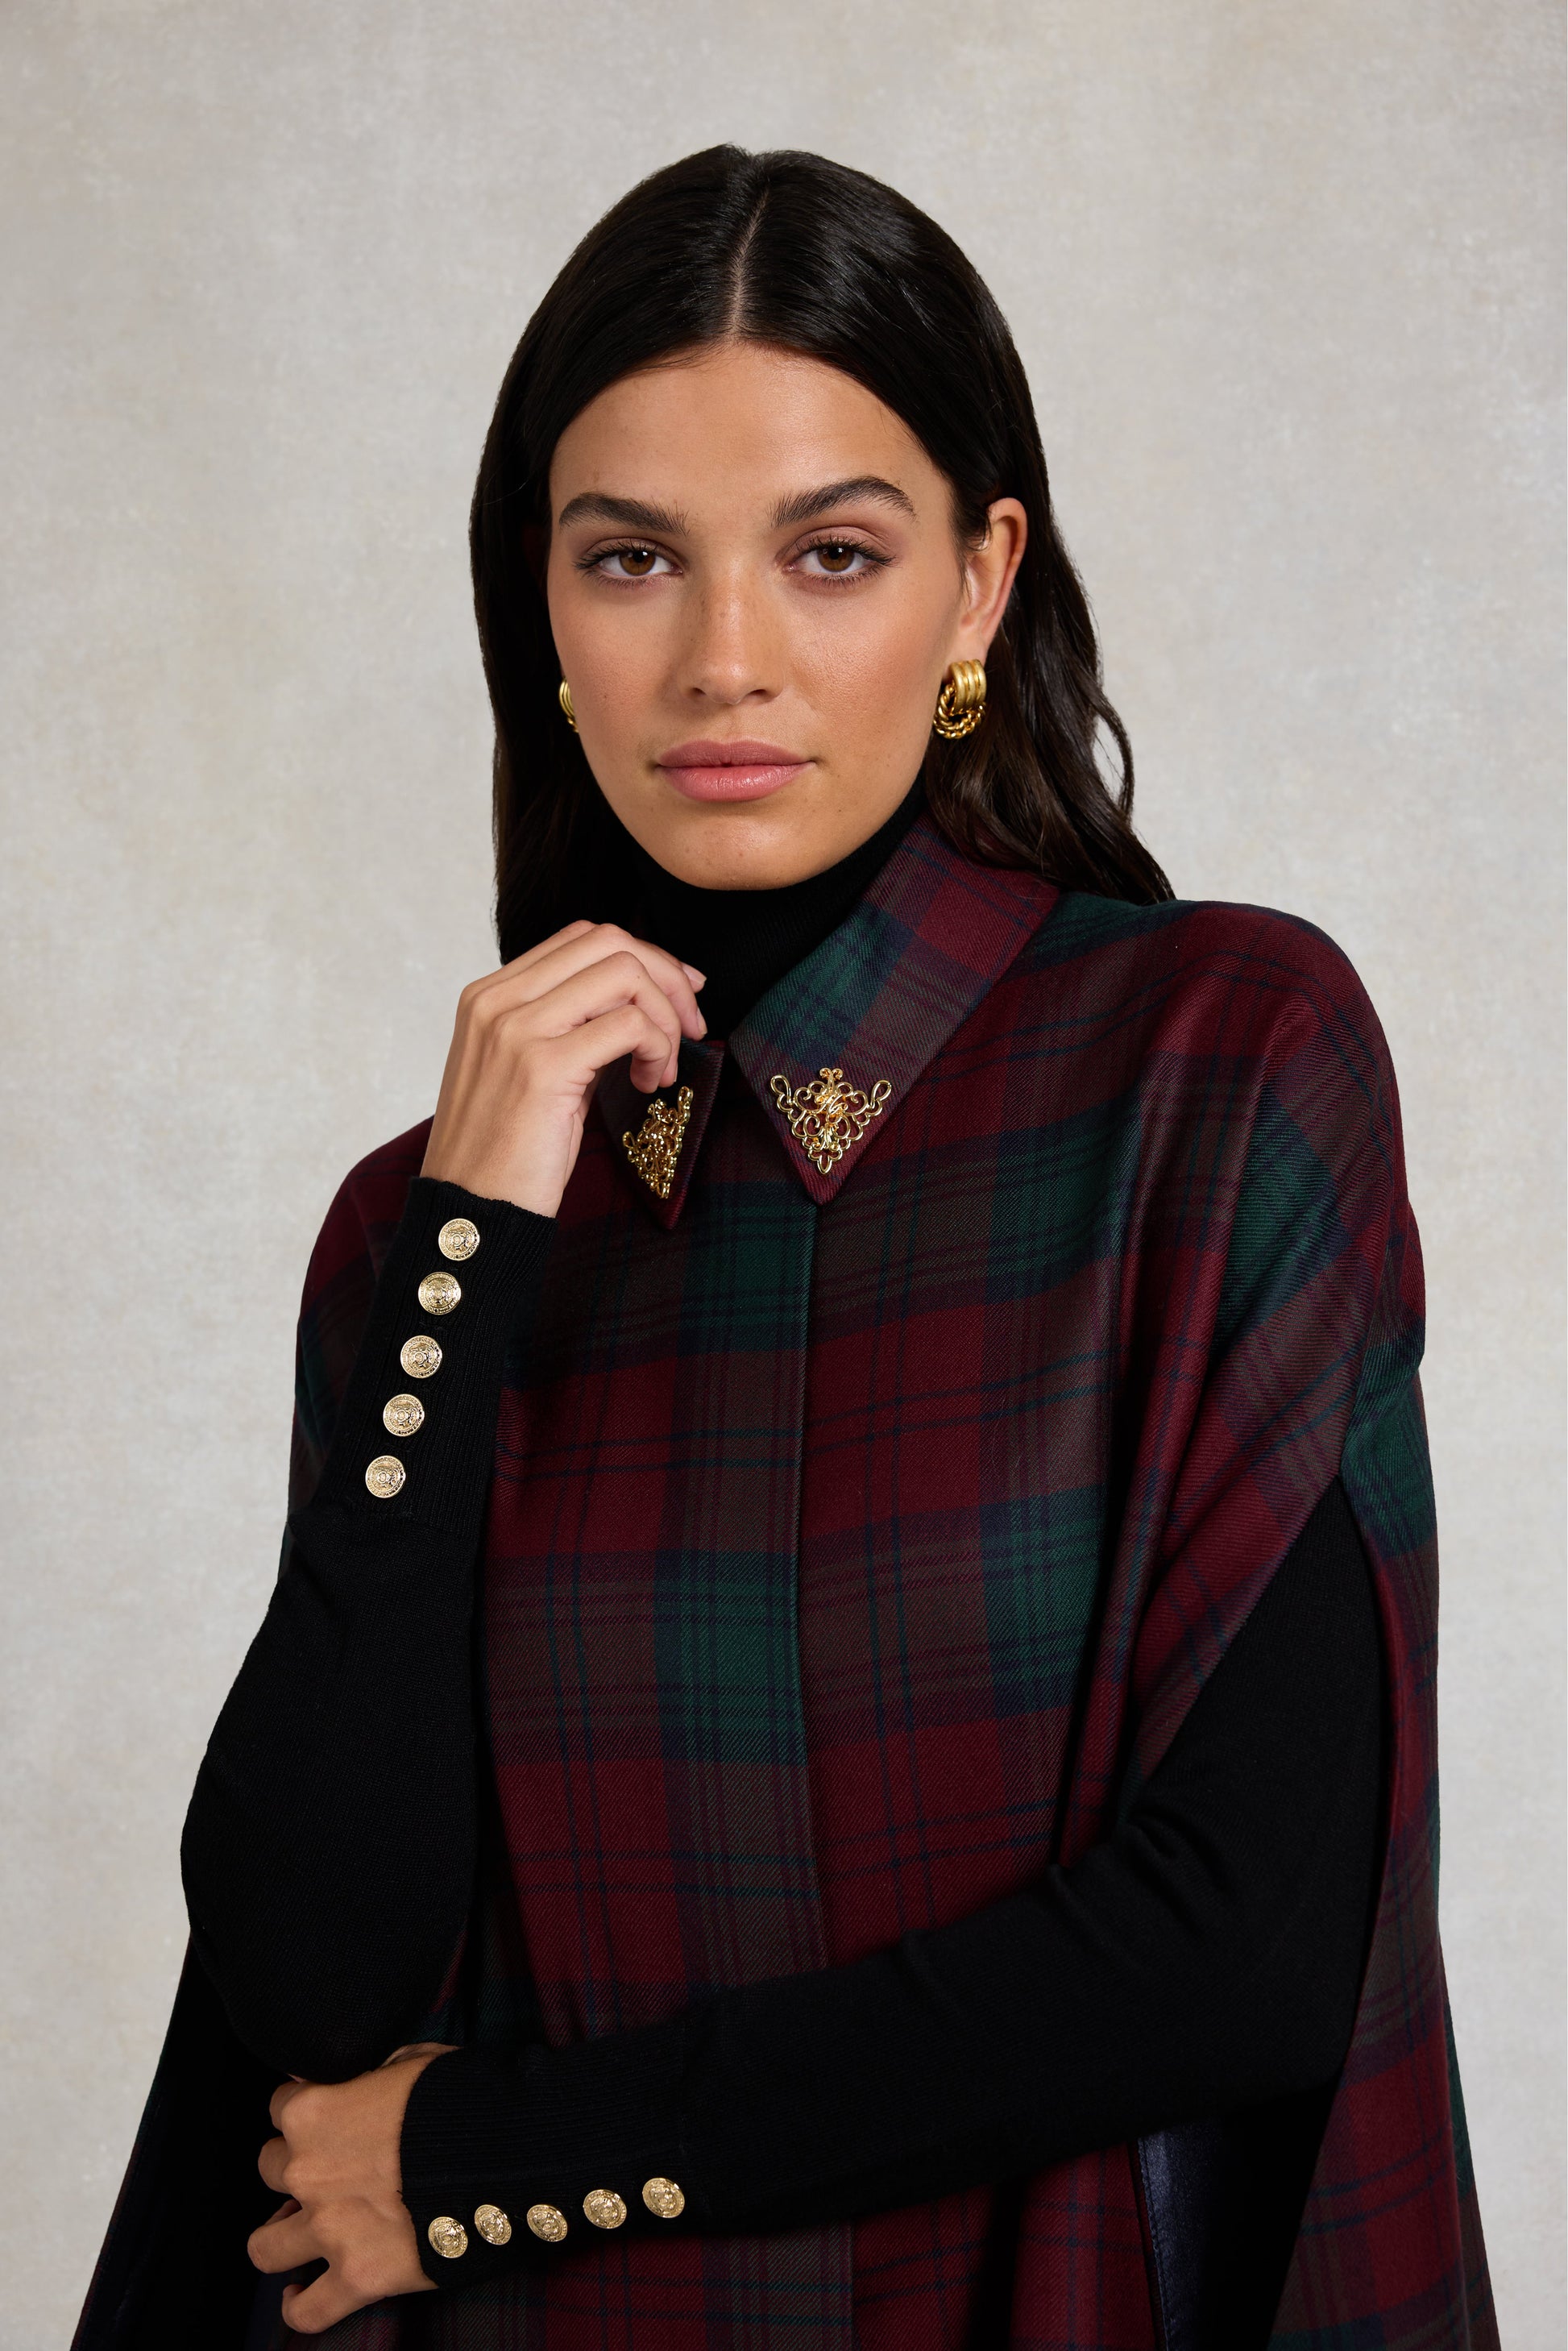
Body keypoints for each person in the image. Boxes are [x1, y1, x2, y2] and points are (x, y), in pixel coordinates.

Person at [75, 147, 1495, 2351]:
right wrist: (466, 1238)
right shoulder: (427, 1226)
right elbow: (311, 1982)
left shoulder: (1215, 1065)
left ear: (977, 583)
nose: (722, 659)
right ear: (541, 611)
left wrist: (501, 2160)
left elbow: (1246, 1944)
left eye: (832, 553)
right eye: (630, 557)